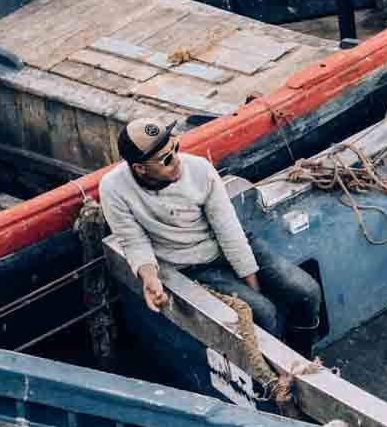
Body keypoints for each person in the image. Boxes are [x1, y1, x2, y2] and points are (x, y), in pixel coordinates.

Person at [98, 117, 323, 352]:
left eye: (175, 148)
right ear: (140, 168)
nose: (176, 161)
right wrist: (149, 277)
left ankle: (302, 357)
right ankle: (277, 375)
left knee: (307, 291)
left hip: (228, 243)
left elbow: (229, 230)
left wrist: (252, 282)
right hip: (191, 264)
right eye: (166, 159)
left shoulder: (199, 170)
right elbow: (133, 240)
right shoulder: (113, 188)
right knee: (264, 314)